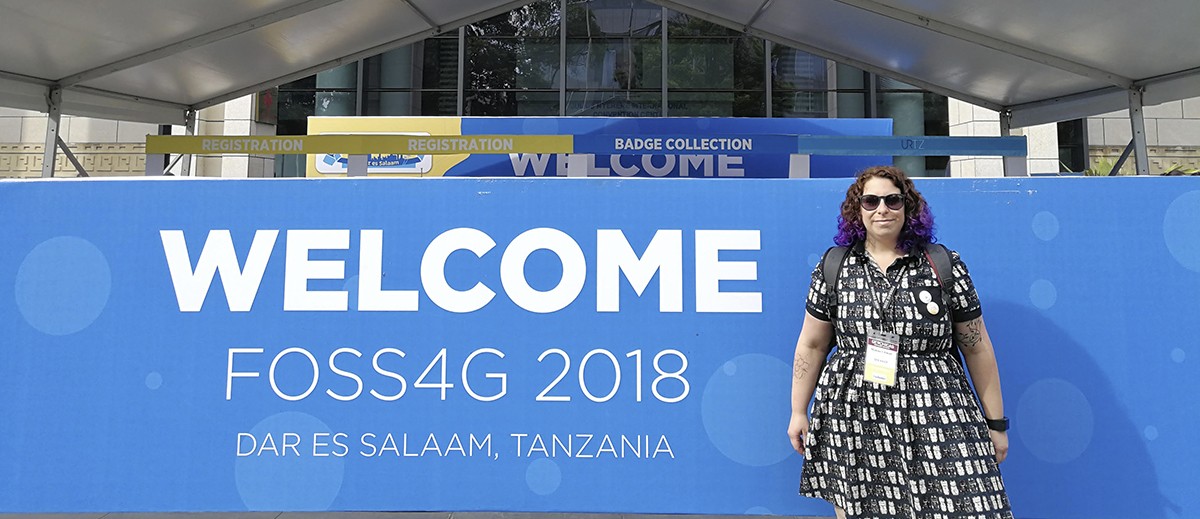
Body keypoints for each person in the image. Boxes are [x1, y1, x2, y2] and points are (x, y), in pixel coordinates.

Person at [787, 166, 1013, 518]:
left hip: (936, 406)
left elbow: (977, 346)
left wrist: (995, 423)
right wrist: (798, 411)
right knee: (861, 509)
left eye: (893, 200)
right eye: (871, 201)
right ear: (857, 209)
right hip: (853, 411)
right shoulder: (835, 266)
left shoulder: (942, 264)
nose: (882, 209)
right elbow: (812, 345)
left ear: (908, 207)